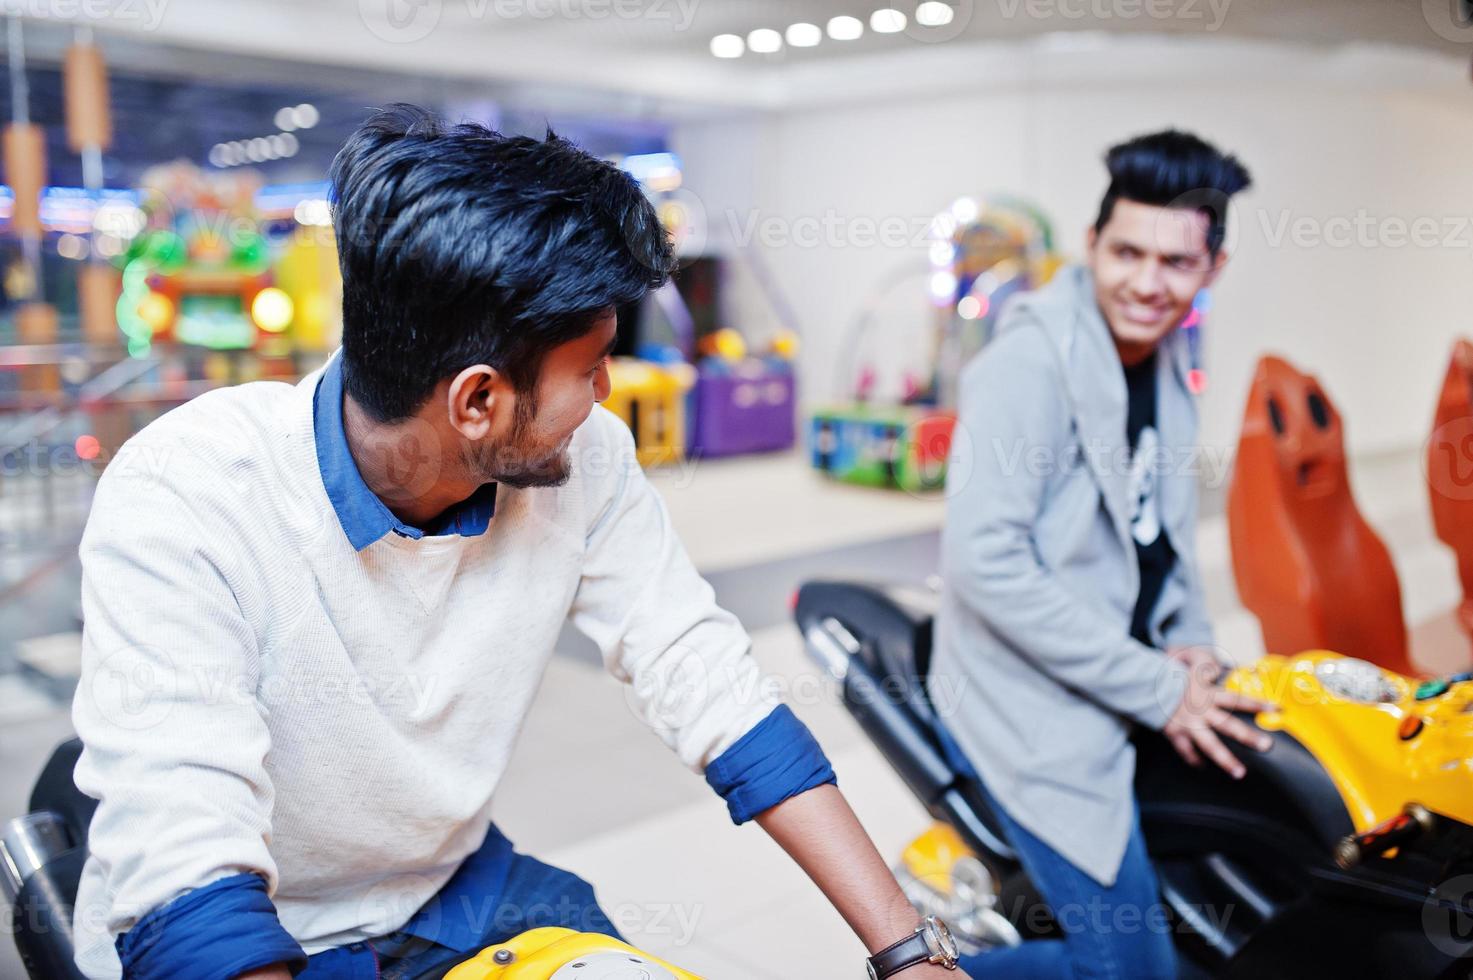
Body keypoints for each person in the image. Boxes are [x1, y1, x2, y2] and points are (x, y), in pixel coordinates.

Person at [71, 105, 962, 980]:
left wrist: (907, 951)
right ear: (476, 401)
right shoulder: (187, 490)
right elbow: (184, 864)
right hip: (253, 932)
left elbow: (703, 677)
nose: (609, 393)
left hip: (449, 893)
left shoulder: (586, 461)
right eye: (590, 369)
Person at [929, 129, 1271, 977]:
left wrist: (1190, 641)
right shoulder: (1028, 363)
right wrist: (1161, 689)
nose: (1147, 284)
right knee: (1129, 972)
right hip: (1027, 701)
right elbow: (985, 565)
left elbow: (1167, 539)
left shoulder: (1166, 360)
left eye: (1176, 263)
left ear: (1211, 271)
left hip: (1117, 675)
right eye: (1126, 252)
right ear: (1090, 246)